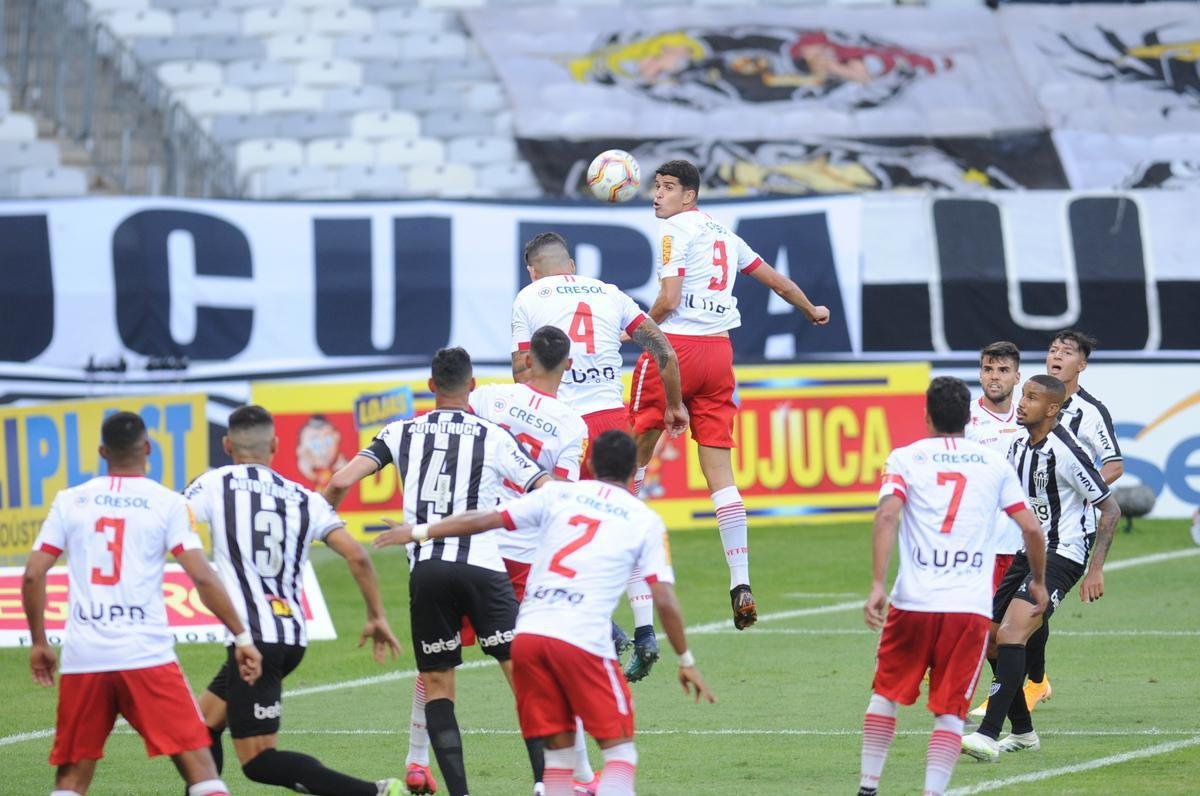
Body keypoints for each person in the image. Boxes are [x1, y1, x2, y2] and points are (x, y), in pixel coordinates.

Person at [373, 430, 716, 796]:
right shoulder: (644, 519)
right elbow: (664, 597)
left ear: (590, 463)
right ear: (634, 470)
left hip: (529, 637)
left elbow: (483, 519)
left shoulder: (558, 494)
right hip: (582, 638)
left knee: (558, 758)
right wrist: (686, 659)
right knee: (619, 753)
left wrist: (420, 530)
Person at [325, 347, 551, 796]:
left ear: (431, 387)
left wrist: (321, 522)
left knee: (438, 684)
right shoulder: (493, 435)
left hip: (427, 570)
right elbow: (543, 488)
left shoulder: (400, 431)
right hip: (482, 566)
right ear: (472, 386)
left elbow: (340, 481)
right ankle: (546, 783)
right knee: (522, 679)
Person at [630, 159, 831, 631]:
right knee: (721, 474)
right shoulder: (725, 235)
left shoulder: (673, 230)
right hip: (719, 355)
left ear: (689, 196)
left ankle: (634, 588)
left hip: (674, 349)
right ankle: (740, 580)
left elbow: (669, 299)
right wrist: (811, 309)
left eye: (668, 187)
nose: (658, 195)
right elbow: (777, 281)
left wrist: (637, 327)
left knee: (631, 463)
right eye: (656, 186)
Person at [21, 411, 262, 796]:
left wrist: (39, 643)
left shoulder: (70, 501)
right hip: (146, 656)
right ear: (147, 448)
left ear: (103, 452)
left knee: (70, 781)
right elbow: (202, 576)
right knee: (202, 771)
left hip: (85, 658)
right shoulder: (166, 503)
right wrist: (242, 637)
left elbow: (33, 574)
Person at [184, 405, 404, 796]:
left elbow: (177, 520)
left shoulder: (214, 483)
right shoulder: (305, 498)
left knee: (259, 761)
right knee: (202, 726)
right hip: (290, 634)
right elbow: (357, 556)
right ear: (275, 445)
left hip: (255, 641)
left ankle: (377, 793)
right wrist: (376, 616)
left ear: (226, 445)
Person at [512, 231, 688, 683]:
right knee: (624, 524)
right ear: (571, 265)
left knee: (554, 526)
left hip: (561, 425)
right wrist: (674, 404)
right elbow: (663, 350)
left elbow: (521, 371)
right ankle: (646, 632)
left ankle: (601, 625)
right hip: (613, 426)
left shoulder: (529, 298)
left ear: (533, 271)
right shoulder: (610, 293)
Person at [857, 377, 1047, 796]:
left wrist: (876, 584)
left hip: (912, 601)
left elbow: (886, 516)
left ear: (927, 416)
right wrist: (1037, 580)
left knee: (885, 695)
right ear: (968, 419)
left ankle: (868, 788)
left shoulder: (905, 458)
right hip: (968, 608)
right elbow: (1032, 529)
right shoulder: (993, 464)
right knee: (949, 710)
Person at [962, 375, 1121, 761]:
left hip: (1064, 554)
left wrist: (1095, 569)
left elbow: (1110, 508)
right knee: (991, 637)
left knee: (1013, 633)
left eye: (1031, 398)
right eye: (1023, 395)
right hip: (1029, 552)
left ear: (1052, 409)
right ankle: (1023, 731)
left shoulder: (1067, 452)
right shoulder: (1019, 445)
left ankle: (987, 734)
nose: (1022, 402)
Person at [1016, 329, 1126, 709]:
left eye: (1066, 352)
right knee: (1019, 605)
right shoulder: (1030, 403)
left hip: (1067, 531)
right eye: (1052, 350)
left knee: (1026, 608)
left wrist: (1082, 488)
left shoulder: (1090, 412)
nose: (1056, 356)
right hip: (1025, 528)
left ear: (1082, 365)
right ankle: (1035, 680)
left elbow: (1114, 464)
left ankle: (1021, 689)